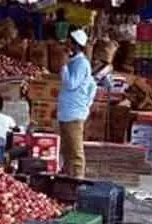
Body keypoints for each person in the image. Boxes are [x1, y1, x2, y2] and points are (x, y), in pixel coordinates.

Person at [57, 29, 97, 179]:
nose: (66, 45)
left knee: (75, 150)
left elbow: (71, 84)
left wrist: (64, 65)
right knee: (67, 149)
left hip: (74, 113)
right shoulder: (77, 62)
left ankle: (78, 179)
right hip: (68, 112)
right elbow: (92, 85)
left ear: (75, 45)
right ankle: (69, 176)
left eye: (69, 42)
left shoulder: (81, 63)